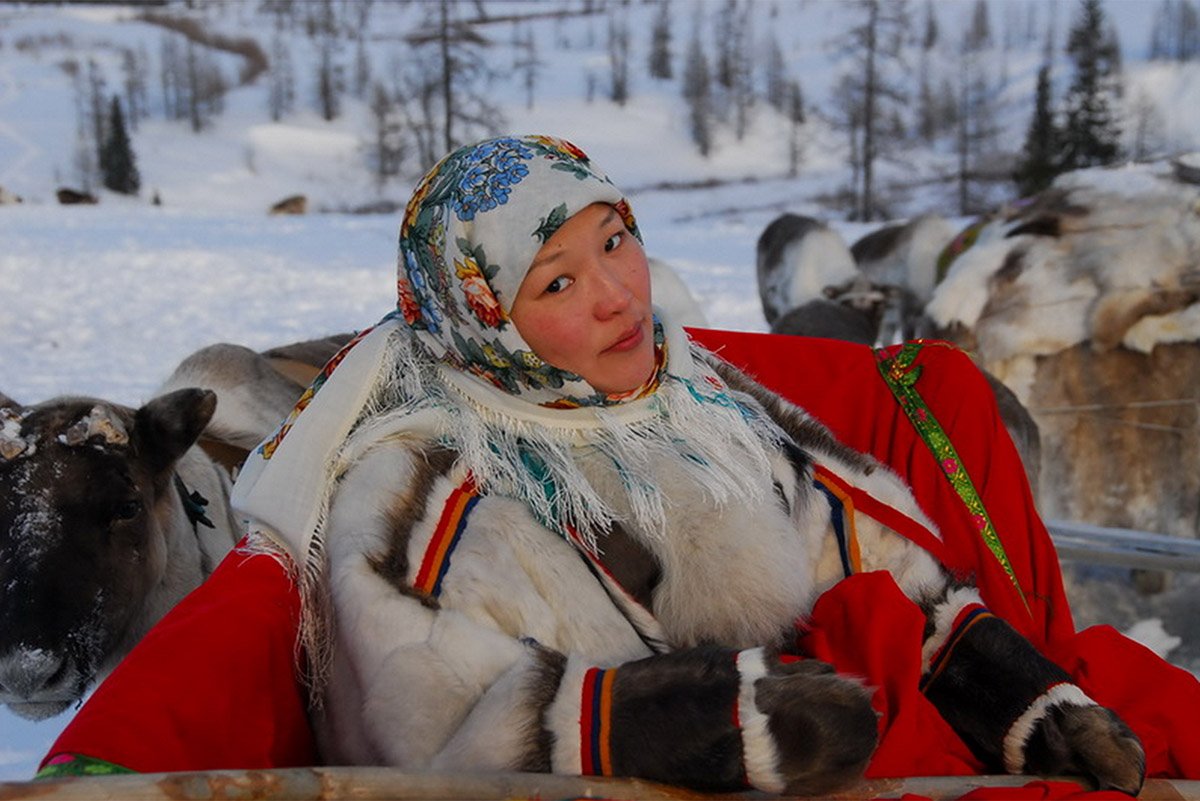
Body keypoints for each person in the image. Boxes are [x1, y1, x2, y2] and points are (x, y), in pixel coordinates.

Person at [37, 135, 1200, 795]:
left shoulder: (702, 402)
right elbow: (429, 732)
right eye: (557, 282)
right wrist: (691, 721)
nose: (621, 295)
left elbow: (885, 565)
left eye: (618, 240)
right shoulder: (414, 488)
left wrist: (1013, 696)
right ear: (483, 318)